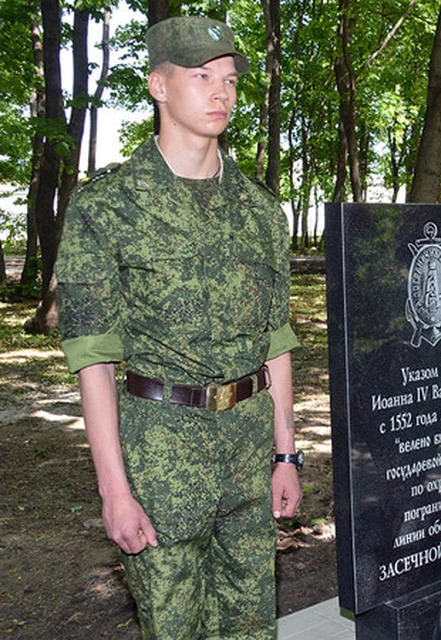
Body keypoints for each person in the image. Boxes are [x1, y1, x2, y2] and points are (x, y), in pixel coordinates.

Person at [55, 17, 302, 639]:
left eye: (228, 80)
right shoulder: (107, 207)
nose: (221, 92)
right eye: (201, 77)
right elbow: (93, 358)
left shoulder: (261, 211)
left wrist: (285, 454)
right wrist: (115, 490)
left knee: (251, 627)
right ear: (158, 86)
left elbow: (276, 341)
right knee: (173, 629)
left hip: (248, 452)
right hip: (158, 455)